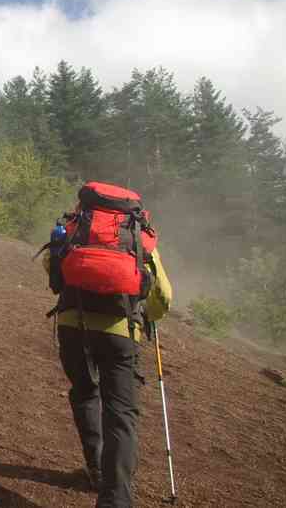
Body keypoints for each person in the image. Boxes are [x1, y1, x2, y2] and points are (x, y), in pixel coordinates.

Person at [42, 181, 173, 508]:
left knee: (85, 392)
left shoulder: (75, 226)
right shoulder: (138, 235)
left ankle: (96, 467)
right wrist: (149, 316)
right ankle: (115, 498)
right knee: (120, 414)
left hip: (73, 324)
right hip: (120, 332)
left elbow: (52, 267)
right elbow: (163, 295)